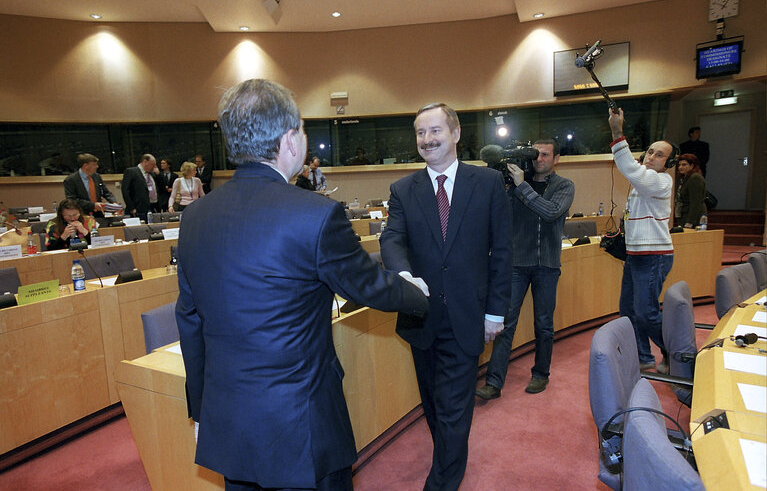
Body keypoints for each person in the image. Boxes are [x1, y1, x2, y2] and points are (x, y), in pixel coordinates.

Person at [175, 78, 429, 491]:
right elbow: (369, 287)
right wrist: (419, 294)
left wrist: (201, 412)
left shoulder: (195, 217)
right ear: (290, 138)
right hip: (301, 427)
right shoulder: (316, 215)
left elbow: (189, 321)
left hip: (229, 422)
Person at [379, 102, 512, 491]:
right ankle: (449, 459)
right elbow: (392, 238)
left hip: (469, 316)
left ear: (455, 134)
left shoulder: (486, 183)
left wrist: (495, 312)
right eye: (420, 133)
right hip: (422, 317)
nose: (427, 139)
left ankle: (441, 483)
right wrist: (402, 275)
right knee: (435, 407)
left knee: (455, 409)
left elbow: (502, 251)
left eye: (434, 131)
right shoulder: (403, 189)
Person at [476, 139, 574, 400]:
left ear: (556, 159)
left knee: (543, 325)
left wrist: (522, 186)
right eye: (536, 154)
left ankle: (541, 374)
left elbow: (551, 212)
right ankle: (494, 382)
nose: (539, 159)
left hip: (547, 265)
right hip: (517, 264)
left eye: (545, 155)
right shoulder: (514, 182)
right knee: (504, 323)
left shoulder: (564, 186)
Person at [608, 108, 675, 373]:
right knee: (628, 310)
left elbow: (628, 168)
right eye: (650, 151)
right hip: (635, 257)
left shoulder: (660, 181)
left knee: (646, 313)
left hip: (654, 257)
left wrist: (616, 131)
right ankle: (643, 356)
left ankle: (675, 353)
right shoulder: (641, 184)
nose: (652, 157)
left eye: (660, 155)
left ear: (667, 163)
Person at [121, 154, 159, 221]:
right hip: (138, 208)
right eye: (152, 164)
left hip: (152, 207)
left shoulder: (152, 174)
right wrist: (131, 207)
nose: (154, 167)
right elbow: (125, 191)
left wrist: (158, 174)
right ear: (145, 162)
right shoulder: (131, 172)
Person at [675, 153, 707, 228]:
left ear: (692, 166)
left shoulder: (695, 178)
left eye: (684, 165)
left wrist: (690, 221)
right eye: (679, 165)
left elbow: (696, 202)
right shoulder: (685, 178)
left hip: (693, 217)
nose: (680, 167)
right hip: (685, 214)